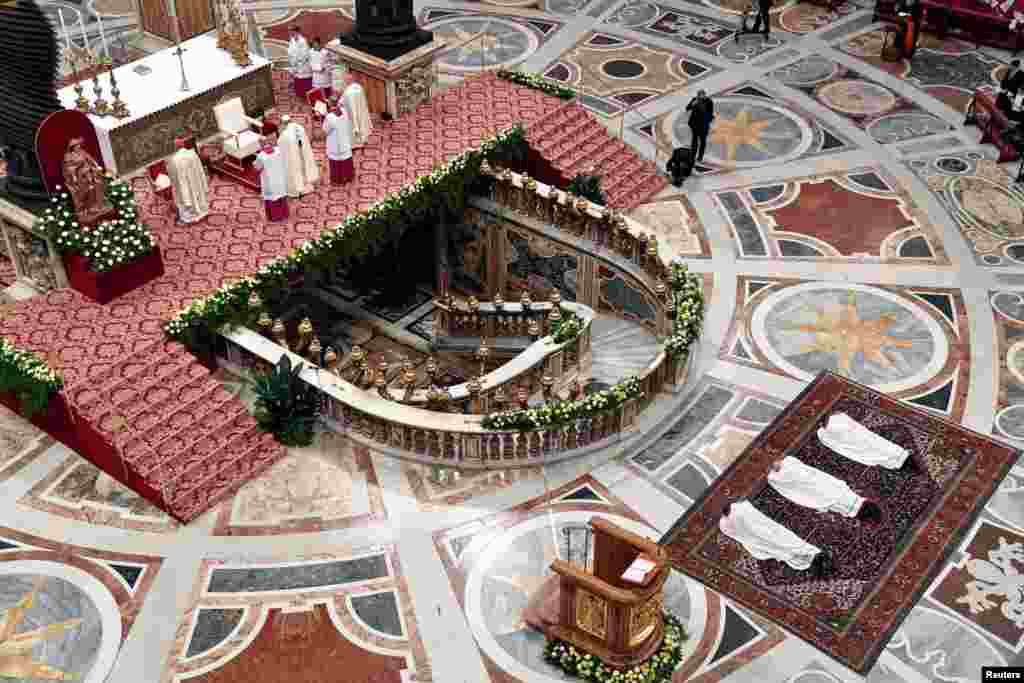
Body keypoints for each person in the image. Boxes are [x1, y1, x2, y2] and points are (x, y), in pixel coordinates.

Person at [720, 500, 832, 578]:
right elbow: (745, 531)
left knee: (787, 545)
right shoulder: (731, 518)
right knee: (785, 547)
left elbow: (756, 519)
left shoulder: (736, 512)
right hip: (761, 537)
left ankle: (815, 558)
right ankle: (813, 560)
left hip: (766, 534)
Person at [767, 457, 882, 523]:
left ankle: (780, 470)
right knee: (806, 482)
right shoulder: (852, 508)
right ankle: (780, 470)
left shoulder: (853, 506)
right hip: (831, 494)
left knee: (807, 481)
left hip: (833, 492)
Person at [817, 413, 912, 469]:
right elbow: (836, 445)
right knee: (875, 450)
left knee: (878, 446)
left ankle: (898, 459)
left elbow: (856, 426)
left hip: (861, 437)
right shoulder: (823, 432)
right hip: (855, 442)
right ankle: (897, 461)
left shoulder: (837, 418)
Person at [61, 137, 112, 224]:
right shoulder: (68, 156)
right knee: (89, 189)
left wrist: (96, 166)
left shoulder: (83, 152)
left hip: (91, 173)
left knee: (98, 184)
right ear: (72, 147)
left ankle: (99, 205)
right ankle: (90, 208)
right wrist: (74, 176)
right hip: (80, 177)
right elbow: (69, 169)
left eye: (79, 145)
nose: (79, 146)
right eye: (76, 145)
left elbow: (90, 159)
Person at [166, 136, 209, 223]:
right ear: (183, 144)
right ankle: (202, 212)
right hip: (195, 180)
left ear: (175, 147)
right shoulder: (192, 153)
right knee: (198, 196)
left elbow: (173, 175)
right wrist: (202, 180)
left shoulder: (174, 160)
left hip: (185, 184)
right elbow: (200, 168)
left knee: (186, 196)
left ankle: (190, 218)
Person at [278, 114, 319, 198]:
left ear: (283, 123)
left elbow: (280, 144)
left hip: (293, 157)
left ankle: (298, 189)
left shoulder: (285, 134)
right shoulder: (299, 127)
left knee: (295, 170)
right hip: (303, 153)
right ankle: (308, 185)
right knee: (304, 168)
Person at [253, 137, 289, 221]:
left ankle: (275, 217)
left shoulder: (261, 156)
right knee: (281, 196)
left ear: (261, 145)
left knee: (272, 199)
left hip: (269, 182)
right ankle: (284, 214)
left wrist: (254, 164)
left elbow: (258, 168)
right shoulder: (278, 150)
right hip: (280, 178)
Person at [323, 97, 354, 185]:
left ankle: (338, 179)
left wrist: (324, 117)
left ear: (329, 104)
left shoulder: (330, 117)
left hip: (335, 142)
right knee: (345, 158)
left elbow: (325, 130)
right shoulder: (344, 111)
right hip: (344, 138)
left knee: (336, 160)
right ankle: (348, 176)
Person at [343, 70, 373, 147]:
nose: (344, 81)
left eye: (345, 79)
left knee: (354, 126)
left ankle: (356, 143)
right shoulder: (358, 87)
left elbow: (352, 109)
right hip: (361, 111)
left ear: (348, 80)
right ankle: (363, 139)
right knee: (362, 124)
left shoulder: (349, 92)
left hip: (353, 114)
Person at [685, 90, 714, 162]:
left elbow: (710, 113)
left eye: (702, 95)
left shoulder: (709, 101)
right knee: (694, 141)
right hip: (694, 124)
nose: (700, 97)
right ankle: (692, 156)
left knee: (702, 141)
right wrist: (692, 104)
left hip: (704, 125)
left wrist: (707, 121)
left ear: (705, 95)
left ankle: (700, 156)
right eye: (699, 96)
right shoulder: (695, 100)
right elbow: (687, 108)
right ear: (697, 95)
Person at [288, 25, 312, 99]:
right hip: (294, 63)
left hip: (302, 65)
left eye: (292, 31)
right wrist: (292, 61)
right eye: (290, 31)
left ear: (297, 31)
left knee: (303, 80)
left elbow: (305, 54)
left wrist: (297, 62)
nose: (290, 33)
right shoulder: (292, 40)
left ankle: (306, 95)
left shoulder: (303, 41)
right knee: (297, 79)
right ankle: (299, 93)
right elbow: (290, 50)